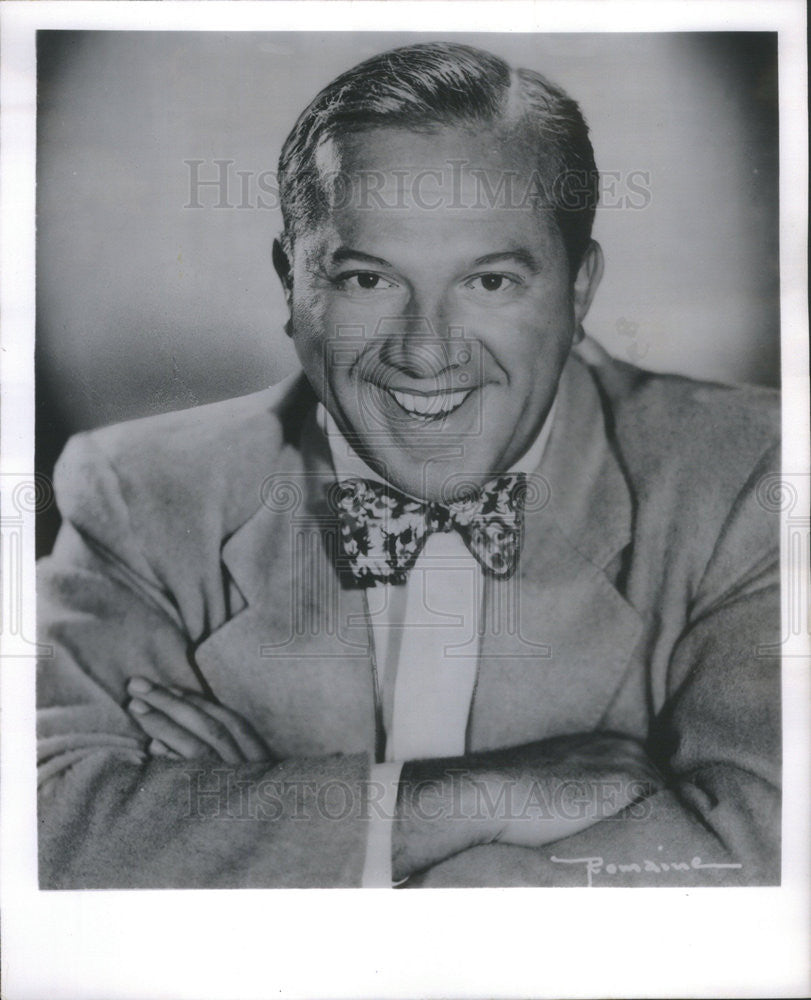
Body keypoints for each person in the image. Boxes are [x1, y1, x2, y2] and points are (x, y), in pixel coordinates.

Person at [37, 41, 780, 888]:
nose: (427, 353)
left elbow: (767, 866)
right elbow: (47, 837)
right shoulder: (141, 493)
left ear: (577, 293)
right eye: (366, 280)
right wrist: (483, 800)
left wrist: (262, 829)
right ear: (292, 283)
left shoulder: (751, 476)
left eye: (490, 284)